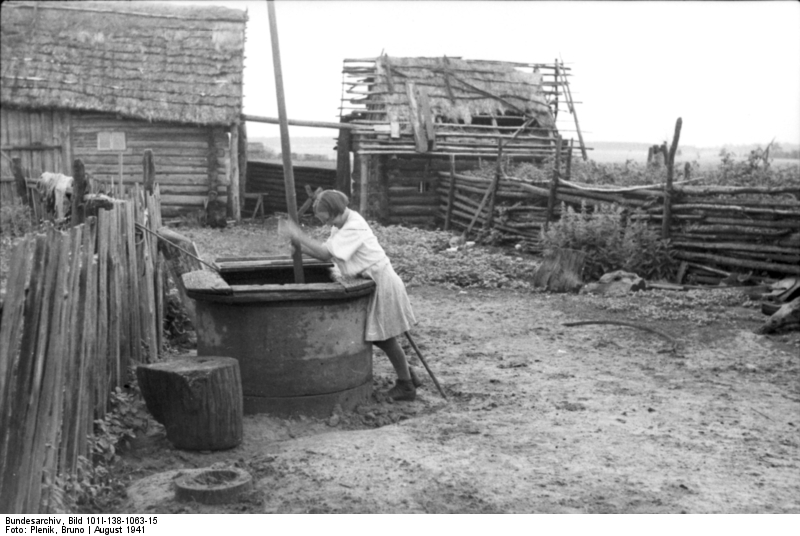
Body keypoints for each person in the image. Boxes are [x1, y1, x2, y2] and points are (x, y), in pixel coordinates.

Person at [278, 190, 420, 401]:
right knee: (381, 337)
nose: (326, 224)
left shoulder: (354, 226)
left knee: (386, 338)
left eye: (326, 219)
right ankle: (408, 373)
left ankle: (406, 385)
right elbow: (327, 251)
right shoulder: (340, 224)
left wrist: (297, 234)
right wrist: (301, 249)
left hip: (383, 282)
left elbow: (326, 254)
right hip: (370, 280)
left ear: (335, 211)